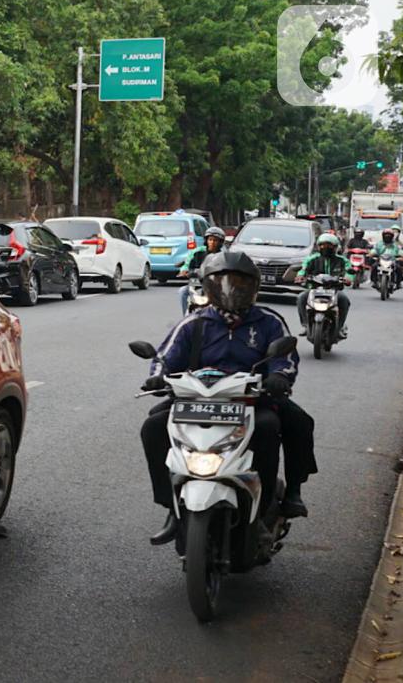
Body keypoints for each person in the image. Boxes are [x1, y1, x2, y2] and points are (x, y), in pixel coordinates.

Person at [139, 252, 313, 545]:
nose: (231, 290)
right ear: (208, 286)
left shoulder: (269, 322)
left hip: (252, 400)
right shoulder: (194, 323)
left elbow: (285, 359)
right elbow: (164, 357)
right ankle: (171, 507)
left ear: (253, 287)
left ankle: (277, 502)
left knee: (290, 424)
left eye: (239, 284)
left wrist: (279, 377)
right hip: (197, 400)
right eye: (222, 283)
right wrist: (158, 378)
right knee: (153, 427)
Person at [295, 233, 352, 337]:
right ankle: (305, 325)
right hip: (314, 289)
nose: (325, 248)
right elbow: (303, 269)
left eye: (329, 245)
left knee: (344, 300)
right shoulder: (312, 259)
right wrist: (300, 276)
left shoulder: (342, 260)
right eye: (322, 245)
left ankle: (339, 327)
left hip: (334, 291)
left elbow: (349, 270)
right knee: (301, 297)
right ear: (318, 246)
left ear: (335, 247)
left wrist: (348, 278)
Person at [176, 226, 226, 314]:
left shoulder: (223, 256)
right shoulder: (198, 253)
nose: (212, 242)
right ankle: (186, 316)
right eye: (210, 240)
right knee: (182, 291)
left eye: (215, 240)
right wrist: (188, 272)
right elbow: (189, 266)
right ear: (206, 241)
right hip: (198, 284)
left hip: (216, 286)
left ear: (220, 242)